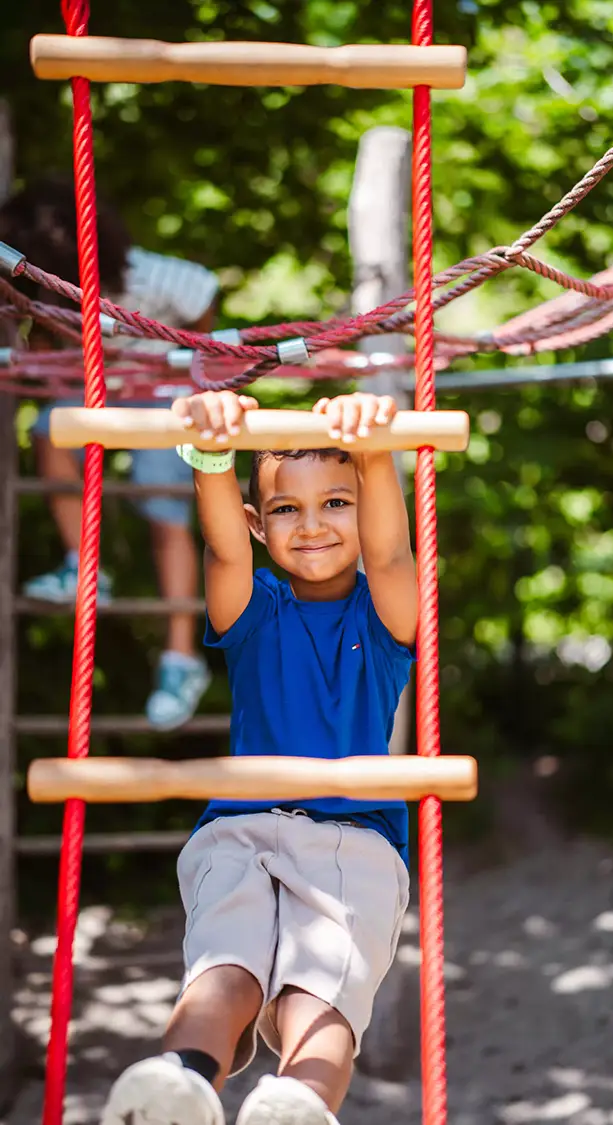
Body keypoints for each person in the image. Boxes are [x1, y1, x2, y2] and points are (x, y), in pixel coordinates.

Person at [99, 389, 417, 1125]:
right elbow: (220, 548)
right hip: (239, 827)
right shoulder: (251, 611)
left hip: (352, 838)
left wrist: (374, 448)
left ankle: (298, 1103)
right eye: (285, 509)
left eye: (336, 502)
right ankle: (177, 1086)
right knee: (224, 970)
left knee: (321, 992)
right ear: (257, 523)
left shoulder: (386, 611)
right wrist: (214, 454)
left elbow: (394, 548)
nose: (310, 525)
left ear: (363, 508)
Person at [0, 177, 216, 729]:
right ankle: (84, 563)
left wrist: (184, 359)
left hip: (158, 391)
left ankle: (180, 657)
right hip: (96, 387)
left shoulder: (149, 277)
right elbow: (36, 349)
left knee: (164, 510)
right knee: (50, 431)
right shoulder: (43, 290)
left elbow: (203, 291)